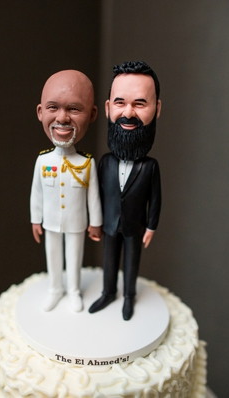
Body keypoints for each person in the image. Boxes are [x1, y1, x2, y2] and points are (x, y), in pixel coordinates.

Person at [89, 61, 164, 321]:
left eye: (140, 103)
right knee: (109, 260)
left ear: (157, 109)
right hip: (109, 224)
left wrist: (152, 227)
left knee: (132, 264)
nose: (128, 113)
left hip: (136, 227)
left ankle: (129, 296)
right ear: (109, 108)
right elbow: (96, 195)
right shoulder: (105, 163)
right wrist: (94, 222)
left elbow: (155, 200)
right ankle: (108, 292)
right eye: (120, 103)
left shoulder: (151, 167)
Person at [30, 70, 104, 312]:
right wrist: (35, 219)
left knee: (75, 256)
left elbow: (94, 198)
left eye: (73, 109)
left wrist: (96, 223)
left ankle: (73, 289)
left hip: (76, 222)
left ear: (91, 115)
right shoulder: (42, 161)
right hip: (50, 221)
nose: (62, 118)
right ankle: (55, 288)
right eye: (53, 108)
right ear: (40, 112)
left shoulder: (86, 163)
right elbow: (37, 193)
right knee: (52, 254)